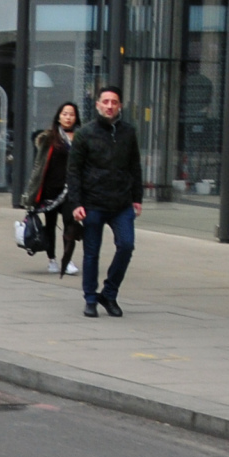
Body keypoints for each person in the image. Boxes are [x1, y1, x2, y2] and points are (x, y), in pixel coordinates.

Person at [68, 85, 143, 318]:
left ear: (120, 106)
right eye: (106, 102)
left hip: (121, 203)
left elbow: (135, 167)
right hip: (93, 203)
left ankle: (109, 293)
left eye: (114, 102)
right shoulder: (85, 133)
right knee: (92, 253)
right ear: (98, 104)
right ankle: (90, 298)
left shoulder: (128, 132)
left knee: (127, 246)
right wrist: (76, 203)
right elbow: (74, 170)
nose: (110, 106)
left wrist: (137, 198)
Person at [22, 101, 82, 277]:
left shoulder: (81, 137)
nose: (68, 117)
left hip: (70, 190)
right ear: (59, 116)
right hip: (50, 190)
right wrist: (31, 194)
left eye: (71, 114)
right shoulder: (49, 137)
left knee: (70, 224)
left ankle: (67, 259)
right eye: (65, 114)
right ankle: (52, 260)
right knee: (50, 226)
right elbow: (38, 166)